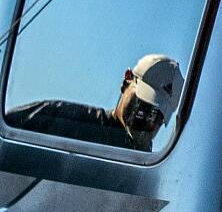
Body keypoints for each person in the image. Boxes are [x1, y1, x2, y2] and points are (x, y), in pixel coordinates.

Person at [11, 51, 186, 150]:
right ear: (127, 79)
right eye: (143, 103)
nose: (148, 119)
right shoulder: (55, 118)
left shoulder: (152, 175)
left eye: (157, 115)